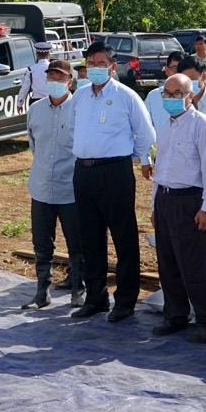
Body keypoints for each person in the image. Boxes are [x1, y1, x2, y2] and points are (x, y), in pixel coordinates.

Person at [69, 41, 155, 322]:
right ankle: (96, 298)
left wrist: (126, 157)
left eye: (101, 64)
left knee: (123, 236)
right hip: (84, 171)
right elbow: (73, 130)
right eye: (90, 63)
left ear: (112, 66)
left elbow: (146, 135)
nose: (95, 68)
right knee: (90, 237)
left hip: (115, 171)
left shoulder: (126, 96)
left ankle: (126, 301)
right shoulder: (80, 95)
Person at [150, 73, 206, 342]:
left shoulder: (202, 125)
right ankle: (175, 316)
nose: (171, 99)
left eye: (177, 94)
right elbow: (161, 167)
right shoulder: (166, 124)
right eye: (167, 94)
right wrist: (155, 205)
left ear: (190, 96)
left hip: (189, 201)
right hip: (165, 199)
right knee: (168, 263)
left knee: (195, 266)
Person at [22, 56, 83, 309]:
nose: (55, 81)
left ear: (70, 81)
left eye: (61, 78)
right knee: (41, 244)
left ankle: (78, 290)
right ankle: (41, 292)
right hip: (41, 188)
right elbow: (34, 145)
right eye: (51, 77)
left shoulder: (80, 109)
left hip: (70, 189)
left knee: (76, 243)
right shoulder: (35, 109)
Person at [16, 39, 54, 105]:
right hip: (51, 100)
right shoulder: (53, 68)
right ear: (49, 55)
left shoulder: (31, 69)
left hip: (36, 101)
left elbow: (25, 88)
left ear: (37, 55)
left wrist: (20, 103)